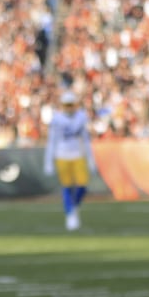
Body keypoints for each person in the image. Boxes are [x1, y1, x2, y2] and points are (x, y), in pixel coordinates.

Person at [43, 91, 95, 231]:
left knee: (82, 186)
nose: (69, 108)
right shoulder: (57, 119)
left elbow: (86, 140)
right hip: (62, 155)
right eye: (67, 105)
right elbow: (52, 141)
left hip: (78, 154)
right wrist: (48, 161)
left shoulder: (81, 117)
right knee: (66, 187)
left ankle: (73, 207)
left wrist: (91, 159)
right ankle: (70, 214)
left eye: (71, 105)